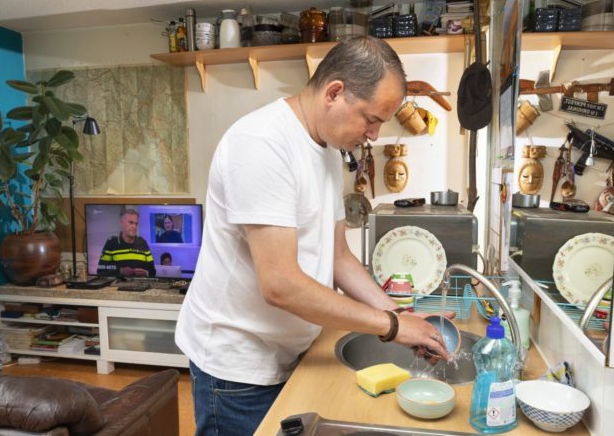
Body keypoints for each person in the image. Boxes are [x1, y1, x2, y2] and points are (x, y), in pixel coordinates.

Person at [175, 36, 449, 436]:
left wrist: (400, 315)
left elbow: (338, 257)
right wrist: (389, 326)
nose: (374, 134)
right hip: (237, 368)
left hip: (289, 350)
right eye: (371, 119)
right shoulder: (262, 145)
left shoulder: (326, 147)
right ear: (334, 93)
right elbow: (281, 285)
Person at [96, 209, 153, 277]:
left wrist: (146, 273)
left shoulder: (143, 242)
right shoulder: (111, 243)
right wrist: (120, 271)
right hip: (117, 285)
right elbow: (100, 270)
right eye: (131, 223)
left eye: (136, 224)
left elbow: (153, 271)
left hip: (141, 284)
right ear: (121, 223)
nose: (134, 227)